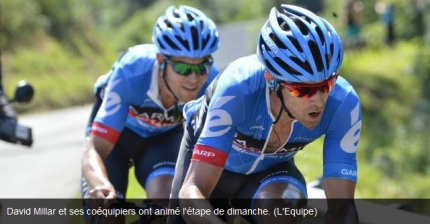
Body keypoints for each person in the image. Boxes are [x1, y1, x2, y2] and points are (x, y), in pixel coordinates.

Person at [169, 4, 361, 224]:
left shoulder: (344, 104)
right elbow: (193, 190)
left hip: (271, 174)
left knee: (283, 211)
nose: (318, 100)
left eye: (327, 85)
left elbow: (342, 210)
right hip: (211, 171)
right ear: (273, 80)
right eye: (303, 90)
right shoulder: (238, 89)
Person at [81, 5, 220, 224]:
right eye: (183, 68)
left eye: (202, 66)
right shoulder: (131, 72)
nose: (194, 78)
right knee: (107, 214)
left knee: (164, 208)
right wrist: (99, 184)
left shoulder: (212, 81)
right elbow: (95, 148)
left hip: (161, 138)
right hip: (117, 137)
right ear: (161, 60)